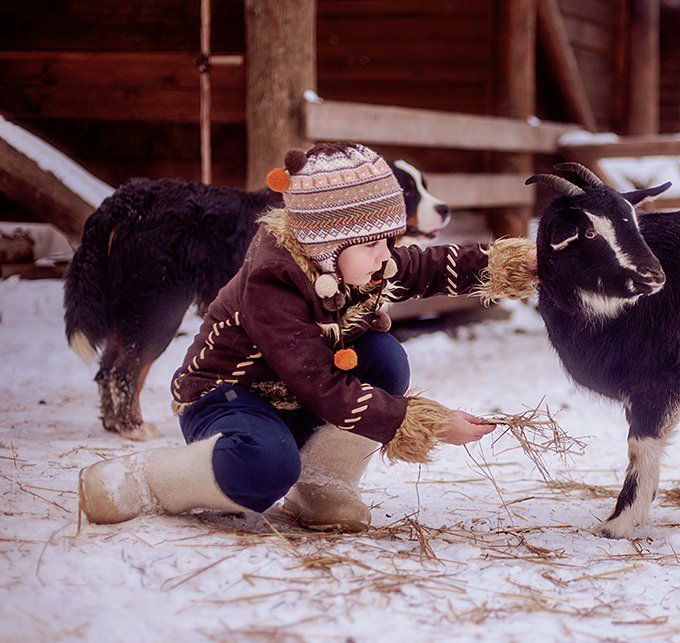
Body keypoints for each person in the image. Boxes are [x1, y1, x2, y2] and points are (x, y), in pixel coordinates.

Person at [78, 142, 537, 531]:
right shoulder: (272, 284)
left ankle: (321, 487)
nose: (389, 255)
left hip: (291, 398)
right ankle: (147, 479)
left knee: (383, 357)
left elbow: (429, 266)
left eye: (390, 241)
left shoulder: (358, 262)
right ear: (326, 243)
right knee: (268, 468)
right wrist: (428, 424)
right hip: (225, 399)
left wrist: (516, 264)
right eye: (374, 244)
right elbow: (321, 384)